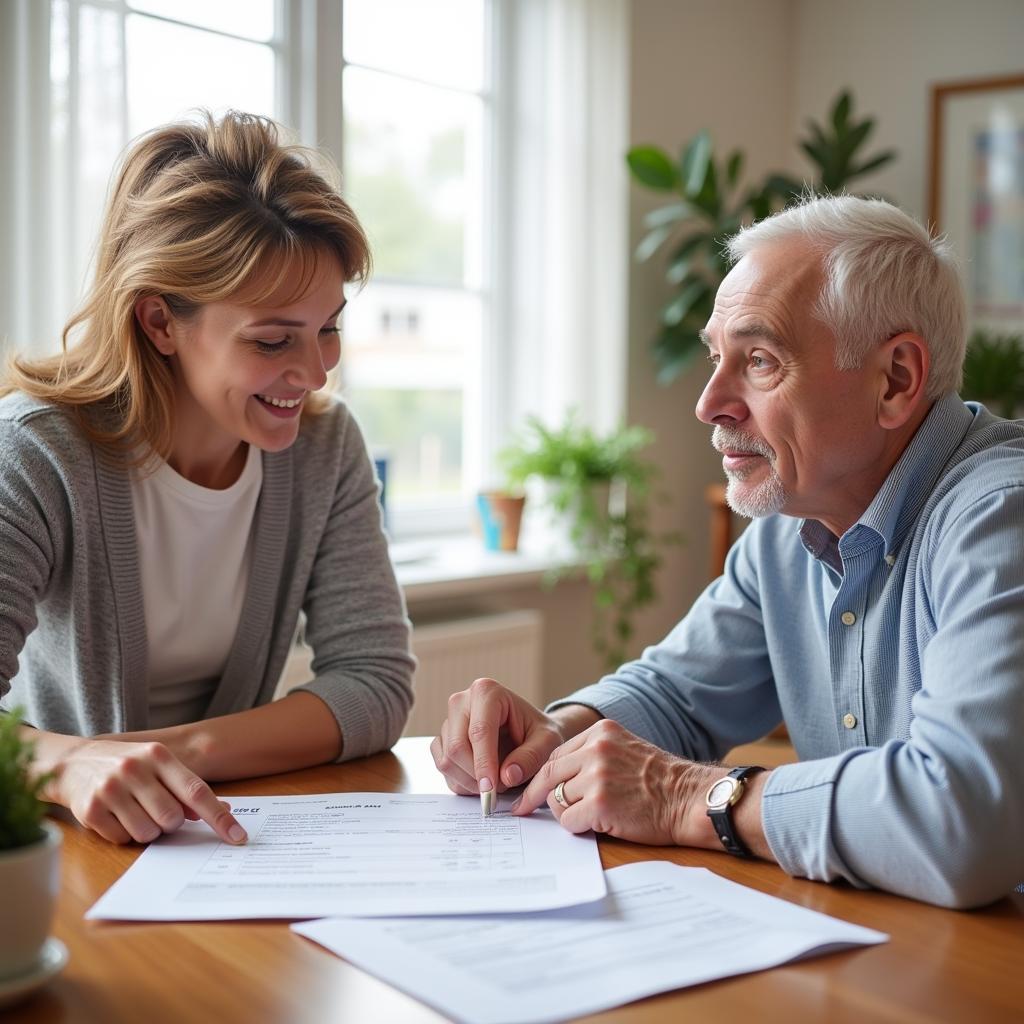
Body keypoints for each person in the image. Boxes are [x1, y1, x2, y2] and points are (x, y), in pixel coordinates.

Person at [432, 194, 1024, 910]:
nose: (709, 402)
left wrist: (691, 797)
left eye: (760, 360)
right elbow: (678, 695)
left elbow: (963, 821)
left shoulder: (1000, 517)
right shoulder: (791, 526)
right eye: (717, 357)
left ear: (895, 379)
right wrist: (553, 735)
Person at [0, 111, 414, 847]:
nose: (317, 371)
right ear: (160, 322)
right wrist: (65, 767)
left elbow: (375, 684)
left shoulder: (325, 446)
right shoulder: (37, 454)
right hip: (58, 847)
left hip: (219, 836)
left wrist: (172, 758)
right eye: (273, 339)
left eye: (329, 327)